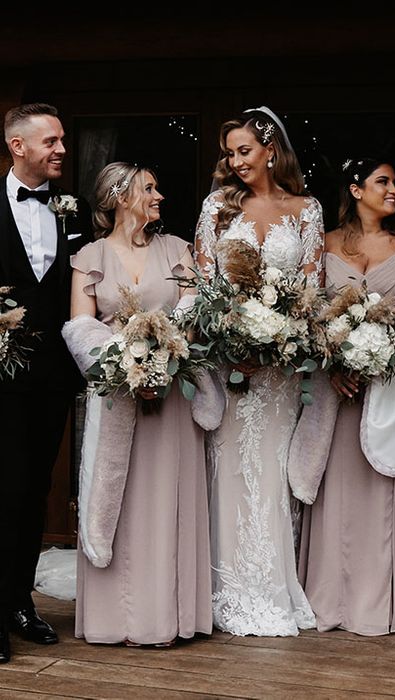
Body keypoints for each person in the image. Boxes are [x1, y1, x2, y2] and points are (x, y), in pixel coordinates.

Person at [62, 162, 214, 646]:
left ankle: (166, 617)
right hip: (115, 396)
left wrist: (162, 360)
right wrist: (122, 366)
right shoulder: (89, 256)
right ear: (121, 196)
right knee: (116, 499)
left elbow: (193, 313)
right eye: (149, 188)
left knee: (166, 498)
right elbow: (81, 327)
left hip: (171, 398)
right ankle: (115, 618)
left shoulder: (176, 250)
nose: (159, 195)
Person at [194, 107, 323, 636]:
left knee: (272, 474)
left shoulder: (307, 209)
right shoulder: (218, 209)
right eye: (230, 153)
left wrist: (282, 335)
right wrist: (230, 335)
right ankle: (221, 589)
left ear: (271, 149)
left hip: (280, 372)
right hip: (230, 366)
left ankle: (271, 586)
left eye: (244, 150)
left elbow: (312, 288)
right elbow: (204, 281)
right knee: (228, 470)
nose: (236, 161)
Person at [292, 158, 395, 635]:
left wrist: (385, 350)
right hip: (339, 391)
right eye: (382, 182)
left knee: (383, 489)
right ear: (355, 189)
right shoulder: (326, 243)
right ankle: (330, 599)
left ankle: (382, 603)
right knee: (338, 494)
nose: (393, 190)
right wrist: (331, 363)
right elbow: (305, 313)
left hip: (390, 387)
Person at [0, 103, 93, 664]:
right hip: (0, 374)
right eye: (51, 141)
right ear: (18, 147)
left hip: (53, 376)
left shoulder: (72, 208)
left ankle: (18, 604)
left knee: (35, 489)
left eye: (62, 140)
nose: (61, 149)